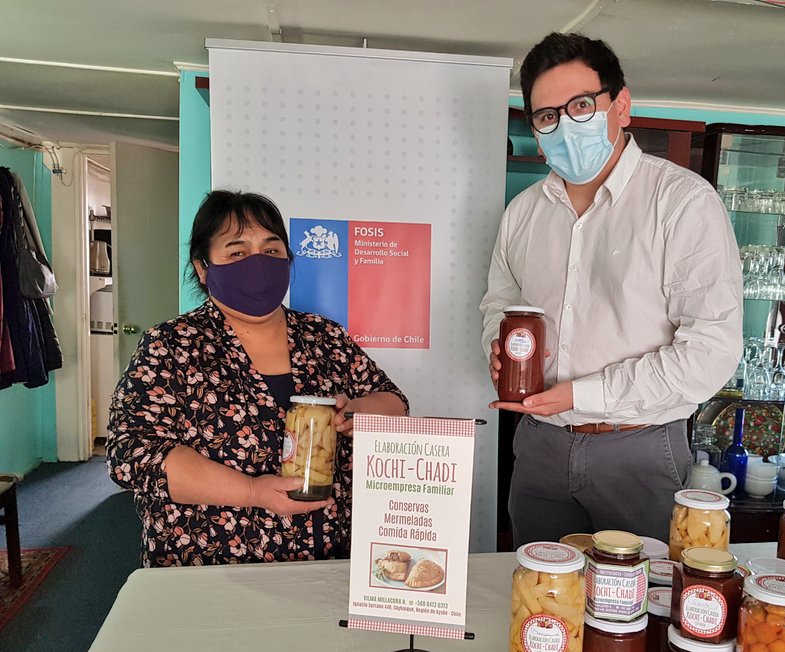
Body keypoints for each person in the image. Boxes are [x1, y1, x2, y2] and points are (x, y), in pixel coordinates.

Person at [480, 33, 743, 547]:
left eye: (580, 105)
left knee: (641, 592)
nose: (565, 126)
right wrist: (497, 345)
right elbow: (499, 304)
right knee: (540, 589)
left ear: (620, 105)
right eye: (547, 116)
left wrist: (582, 395)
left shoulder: (682, 203)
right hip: (539, 447)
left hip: (639, 450)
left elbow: (710, 351)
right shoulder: (523, 213)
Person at [108, 190, 408, 566]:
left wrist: (358, 411)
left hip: (329, 559)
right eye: (237, 252)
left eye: (271, 249)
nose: (258, 263)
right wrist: (252, 491)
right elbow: (132, 454)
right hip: (212, 564)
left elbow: (394, 402)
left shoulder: (324, 336)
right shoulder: (170, 344)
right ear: (203, 267)